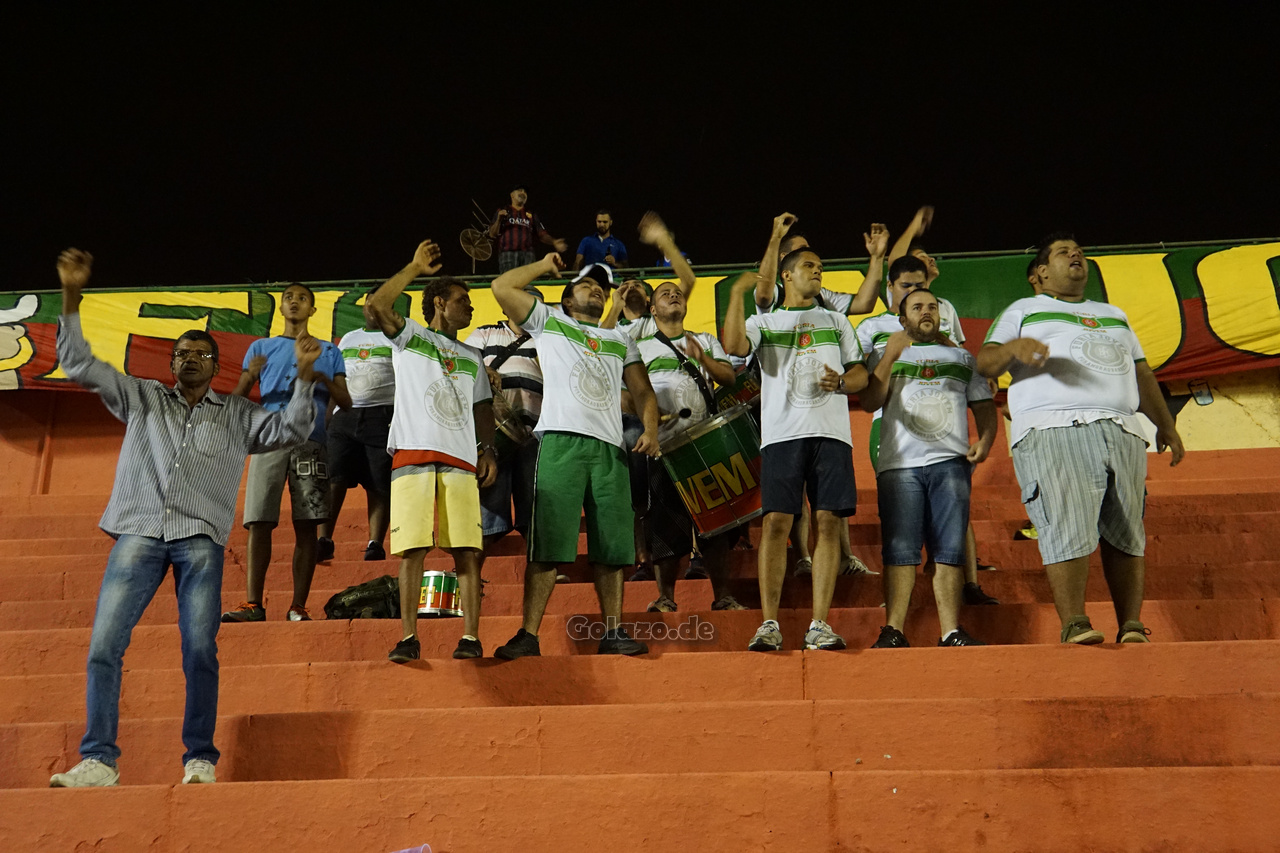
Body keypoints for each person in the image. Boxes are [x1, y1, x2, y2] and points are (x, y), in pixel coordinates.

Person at [48, 249, 319, 788]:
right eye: (182, 352)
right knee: (104, 645)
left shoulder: (238, 414)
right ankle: (99, 760)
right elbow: (79, 364)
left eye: (200, 353)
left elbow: (292, 430)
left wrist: (306, 379)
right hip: (140, 530)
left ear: (216, 367)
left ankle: (200, 758)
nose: (190, 359)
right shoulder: (142, 398)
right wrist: (72, 296)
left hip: (199, 538)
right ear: (171, 364)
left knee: (199, 649)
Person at [977, 233, 1185, 644]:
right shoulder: (1024, 309)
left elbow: (1142, 373)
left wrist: (1166, 425)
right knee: (1066, 522)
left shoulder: (1115, 314)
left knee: (1127, 528)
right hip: (1054, 427)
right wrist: (1015, 347)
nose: (1076, 255)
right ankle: (1074, 621)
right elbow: (984, 360)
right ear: (1038, 274)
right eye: (1062, 252)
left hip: (1123, 429)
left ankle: (1131, 624)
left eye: (1080, 252)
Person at [489, 253, 661, 658]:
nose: (596, 289)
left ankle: (613, 632)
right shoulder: (550, 322)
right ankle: (528, 635)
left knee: (613, 547)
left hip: (609, 449)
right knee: (548, 543)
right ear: (565, 301)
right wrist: (544, 266)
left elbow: (643, 392)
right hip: (560, 443)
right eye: (586, 285)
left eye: (600, 287)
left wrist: (651, 430)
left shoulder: (621, 339)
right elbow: (501, 288)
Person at [723, 245, 869, 651]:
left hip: (832, 433)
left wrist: (841, 382)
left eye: (821, 266)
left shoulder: (837, 321)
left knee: (827, 524)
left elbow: (859, 373)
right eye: (809, 266)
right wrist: (736, 296)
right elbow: (734, 346)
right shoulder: (765, 321)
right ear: (786, 275)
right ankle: (769, 623)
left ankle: (819, 624)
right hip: (782, 435)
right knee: (775, 524)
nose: (818, 271)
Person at [364, 241, 498, 662]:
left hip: (461, 459)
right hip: (413, 454)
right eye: (463, 301)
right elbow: (377, 305)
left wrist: (488, 449)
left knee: (467, 551)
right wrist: (414, 266)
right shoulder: (410, 337)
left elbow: (482, 408)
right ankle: (408, 636)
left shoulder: (474, 355)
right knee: (413, 550)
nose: (470, 308)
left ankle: (471, 637)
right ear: (439, 303)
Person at [854, 254, 998, 605]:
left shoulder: (941, 314)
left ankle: (966, 584)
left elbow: (960, 358)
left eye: (921, 286)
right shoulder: (871, 328)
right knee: (902, 509)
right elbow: (864, 382)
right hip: (890, 426)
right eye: (907, 287)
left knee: (953, 508)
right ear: (890, 289)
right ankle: (899, 599)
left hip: (944, 428)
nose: (916, 292)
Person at [752, 213, 881, 581]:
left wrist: (876, 258)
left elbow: (864, 302)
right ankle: (803, 557)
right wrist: (776, 237)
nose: (813, 265)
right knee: (791, 505)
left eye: (816, 260)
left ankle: (842, 557)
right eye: (802, 258)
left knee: (829, 506)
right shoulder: (775, 297)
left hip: (827, 418)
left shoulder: (827, 305)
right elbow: (761, 291)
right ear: (785, 269)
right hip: (785, 416)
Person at [223, 283, 350, 623]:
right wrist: (250, 376)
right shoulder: (261, 347)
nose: (295, 303)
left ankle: (298, 605)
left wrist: (318, 374)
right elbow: (236, 399)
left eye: (302, 298)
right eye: (288, 298)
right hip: (269, 437)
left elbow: (347, 401)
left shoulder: (328, 350)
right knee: (259, 520)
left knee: (307, 525)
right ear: (281, 309)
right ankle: (253, 604)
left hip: (311, 439)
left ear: (313, 309)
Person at [633, 278, 747, 613]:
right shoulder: (639, 347)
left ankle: (722, 594)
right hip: (663, 447)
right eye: (664, 294)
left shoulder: (705, 340)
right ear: (652, 310)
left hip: (706, 445)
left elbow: (728, 378)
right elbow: (631, 391)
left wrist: (703, 358)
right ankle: (666, 596)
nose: (674, 295)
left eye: (678, 293)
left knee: (716, 524)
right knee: (665, 524)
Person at [464, 285, 546, 561]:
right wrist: (482, 370)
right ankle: (472, 575)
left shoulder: (550, 340)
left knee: (535, 511)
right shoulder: (485, 333)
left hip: (535, 436)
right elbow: (463, 363)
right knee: (488, 512)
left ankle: (544, 566)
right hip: (493, 434)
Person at [317, 310, 395, 562]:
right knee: (333, 477)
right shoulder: (349, 338)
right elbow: (336, 379)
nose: (374, 309)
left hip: (383, 415)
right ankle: (324, 539)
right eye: (369, 304)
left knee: (379, 483)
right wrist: (327, 418)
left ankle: (375, 543)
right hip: (345, 415)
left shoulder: (396, 338)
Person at [488, 185, 569, 273]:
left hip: (528, 256)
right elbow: (492, 233)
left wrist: (554, 241)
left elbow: (541, 234)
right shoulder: (502, 211)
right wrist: (499, 220)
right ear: (512, 195)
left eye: (525, 192)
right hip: (507, 254)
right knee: (508, 283)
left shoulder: (531, 214)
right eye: (519, 190)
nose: (523, 193)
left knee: (528, 285)